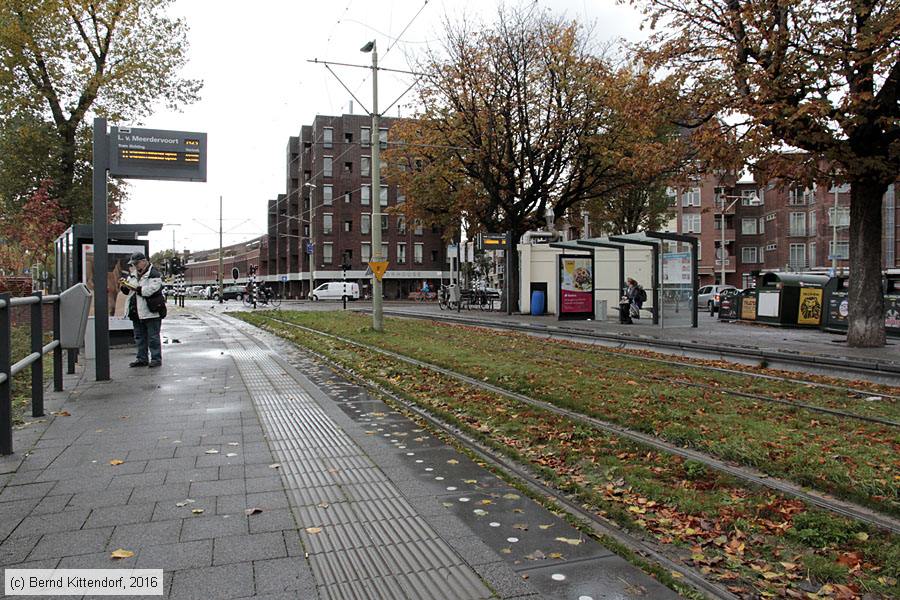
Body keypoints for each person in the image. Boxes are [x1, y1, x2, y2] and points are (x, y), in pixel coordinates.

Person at [120, 252, 164, 368]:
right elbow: (129, 291)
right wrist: (125, 287)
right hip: (136, 312)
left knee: (153, 337)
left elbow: (150, 290)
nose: (135, 266)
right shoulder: (133, 274)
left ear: (143, 261)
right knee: (139, 337)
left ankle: (156, 358)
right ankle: (142, 358)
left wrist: (136, 288)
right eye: (133, 264)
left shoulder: (154, 274)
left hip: (151, 311)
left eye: (136, 263)